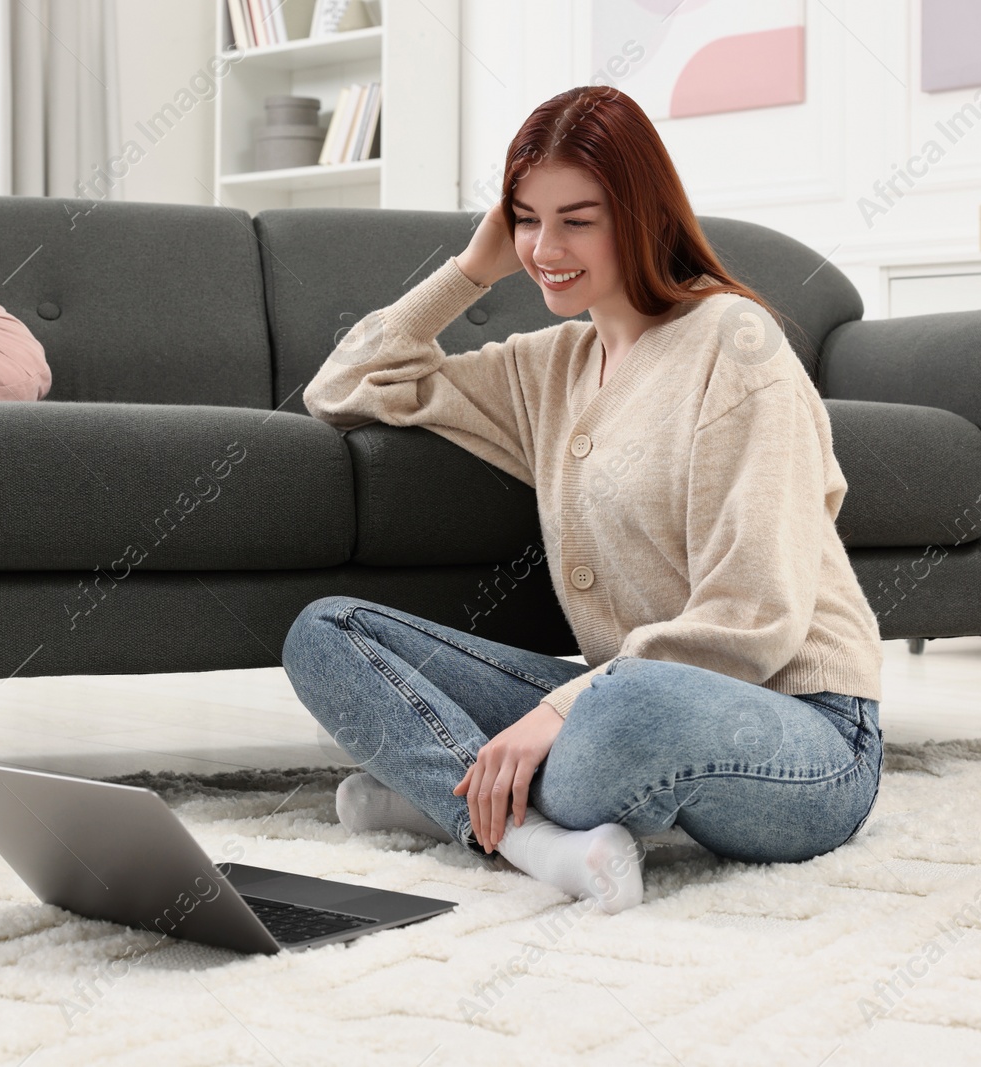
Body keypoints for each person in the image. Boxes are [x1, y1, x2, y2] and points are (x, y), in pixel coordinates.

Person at [284, 85, 884, 915]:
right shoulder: (550, 366)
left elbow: (755, 616)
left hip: (805, 730)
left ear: (642, 214)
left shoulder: (735, 344)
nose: (544, 247)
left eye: (577, 218)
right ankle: (529, 835)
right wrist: (470, 270)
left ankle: (437, 790)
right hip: (615, 694)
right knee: (326, 632)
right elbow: (342, 386)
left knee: (619, 712)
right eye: (526, 219)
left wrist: (563, 710)